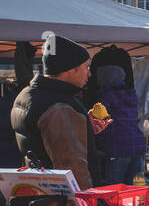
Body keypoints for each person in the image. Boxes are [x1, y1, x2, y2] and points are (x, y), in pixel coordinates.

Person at [11, 34, 110, 190]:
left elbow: (42, 142)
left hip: (38, 193)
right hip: (62, 203)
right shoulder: (60, 106)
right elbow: (72, 167)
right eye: (86, 67)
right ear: (70, 70)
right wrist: (88, 204)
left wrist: (84, 128)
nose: (89, 74)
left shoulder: (28, 94)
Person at [92, 65, 146, 184]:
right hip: (137, 144)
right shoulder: (131, 95)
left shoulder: (106, 97)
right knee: (135, 188)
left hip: (118, 146)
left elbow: (99, 124)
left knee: (114, 189)